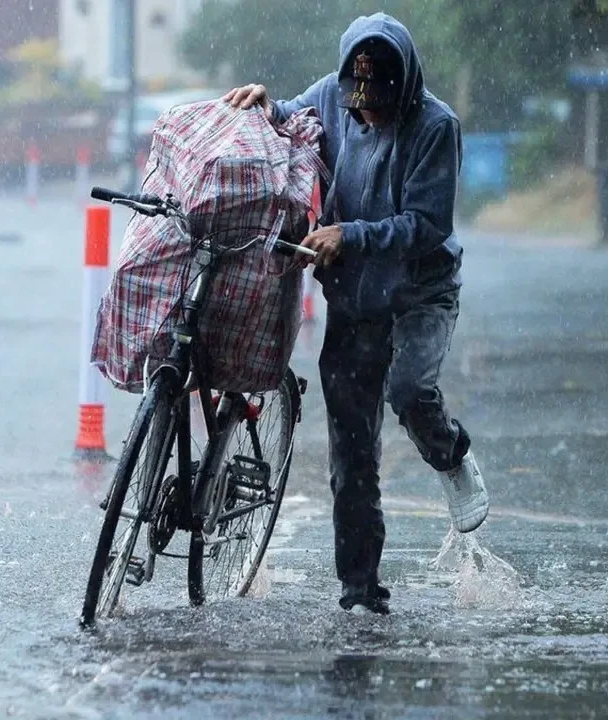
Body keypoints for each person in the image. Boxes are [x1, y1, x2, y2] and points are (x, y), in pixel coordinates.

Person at [223, 12, 487, 615]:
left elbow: (428, 224)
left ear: (406, 90)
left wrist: (353, 235)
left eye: (379, 106)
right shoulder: (331, 97)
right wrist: (265, 106)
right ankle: (360, 590)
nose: (366, 116)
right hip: (355, 297)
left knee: (410, 389)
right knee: (351, 453)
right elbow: (289, 117)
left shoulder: (435, 126)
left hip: (421, 291)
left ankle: (451, 455)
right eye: (357, 105)